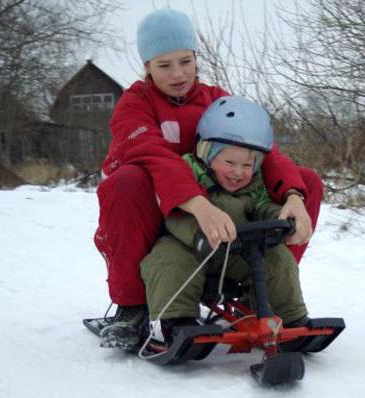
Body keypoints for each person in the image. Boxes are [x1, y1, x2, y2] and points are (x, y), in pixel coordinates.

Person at [95, 8, 322, 350]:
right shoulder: (134, 106)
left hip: (227, 212)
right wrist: (199, 205)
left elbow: (265, 151)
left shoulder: (216, 100)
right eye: (164, 65)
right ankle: (133, 306)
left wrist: (293, 195)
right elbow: (156, 158)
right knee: (125, 181)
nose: (178, 74)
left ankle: (262, 291)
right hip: (164, 214)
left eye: (185, 61)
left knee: (307, 180)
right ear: (147, 68)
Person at [141, 96, 309, 343]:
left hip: (236, 252)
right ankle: (176, 322)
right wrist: (199, 237)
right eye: (229, 162)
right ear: (208, 154)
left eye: (247, 165)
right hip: (191, 248)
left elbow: (262, 206)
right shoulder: (187, 173)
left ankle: (291, 318)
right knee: (168, 260)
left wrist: (279, 220)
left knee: (278, 259)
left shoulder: (253, 183)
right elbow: (175, 215)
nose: (238, 172)